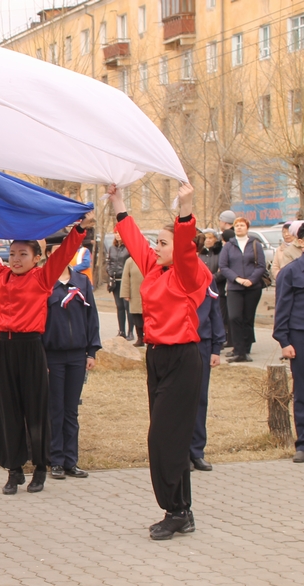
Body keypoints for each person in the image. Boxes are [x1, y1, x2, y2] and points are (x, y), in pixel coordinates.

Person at [109, 182, 212, 541]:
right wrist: (118, 202)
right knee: (173, 438)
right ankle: (182, 511)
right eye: (158, 243)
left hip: (183, 358)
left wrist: (185, 210)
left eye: (163, 243)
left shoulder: (187, 273)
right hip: (156, 358)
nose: (156, 247)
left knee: (162, 438)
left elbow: (184, 249)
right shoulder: (155, 268)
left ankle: (175, 509)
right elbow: (136, 240)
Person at [0, 216, 86, 495]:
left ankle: (40, 467)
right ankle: (13, 469)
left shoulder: (43, 278)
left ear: (37, 258)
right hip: (4, 347)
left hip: (31, 349)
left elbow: (65, 251)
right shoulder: (1, 276)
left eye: (23, 254)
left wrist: (79, 228)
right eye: (13, 254)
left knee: (36, 410)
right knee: (8, 409)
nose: (15, 259)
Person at [42, 241, 101, 480]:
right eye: (56, 251)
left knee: (71, 410)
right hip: (53, 355)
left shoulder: (82, 282)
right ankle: (55, 459)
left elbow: (91, 317)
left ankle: (70, 460)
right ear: (48, 254)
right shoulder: (44, 283)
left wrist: (91, 351)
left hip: (77, 354)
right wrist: (42, 356)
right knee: (55, 408)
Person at [273, 221, 304, 464]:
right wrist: (283, 340)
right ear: (301, 242)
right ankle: (302, 444)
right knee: (302, 391)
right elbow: (282, 307)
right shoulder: (291, 272)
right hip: (299, 336)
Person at [219, 216, 266, 363]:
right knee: (234, 317)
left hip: (252, 287)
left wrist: (251, 280)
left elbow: (261, 266)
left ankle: (245, 350)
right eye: (237, 225)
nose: (239, 227)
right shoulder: (228, 246)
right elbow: (224, 266)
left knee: (247, 318)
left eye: (242, 225)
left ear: (247, 228)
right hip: (234, 287)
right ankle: (238, 350)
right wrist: (238, 279)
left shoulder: (255, 244)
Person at [190, 281, 224, 472]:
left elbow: (214, 311)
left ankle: (196, 452)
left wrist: (216, 347)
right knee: (178, 400)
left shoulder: (206, 278)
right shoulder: (168, 273)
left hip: (202, 343)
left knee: (199, 399)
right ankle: (180, 452)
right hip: (177, 342)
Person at [217, 210, 237, 346]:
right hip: (228, 279)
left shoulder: (229, 237)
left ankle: (231, 339)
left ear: (224, 221)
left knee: (230, 313)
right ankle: (230, 339)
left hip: (228, 280)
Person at [107, 232, 132, 339]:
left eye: (120, 233)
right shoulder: (112, 248)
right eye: (116, 233)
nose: (118, 235)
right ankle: (121, 331)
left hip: (125, 280)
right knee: (119, 306)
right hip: (115, 280)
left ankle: (130, 331)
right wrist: (109, 271)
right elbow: (108, 262)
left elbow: (132, 262)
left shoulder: (129, 248)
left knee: (127, 306)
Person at [120, 257, 145, 347]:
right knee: (136, 317)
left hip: (148, 294)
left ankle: (150, 338)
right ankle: (140, 338)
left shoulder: (151, 259)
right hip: (135, 293)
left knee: (147, 318)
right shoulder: (130, 261)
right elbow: (125, 278)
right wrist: (125, 293)